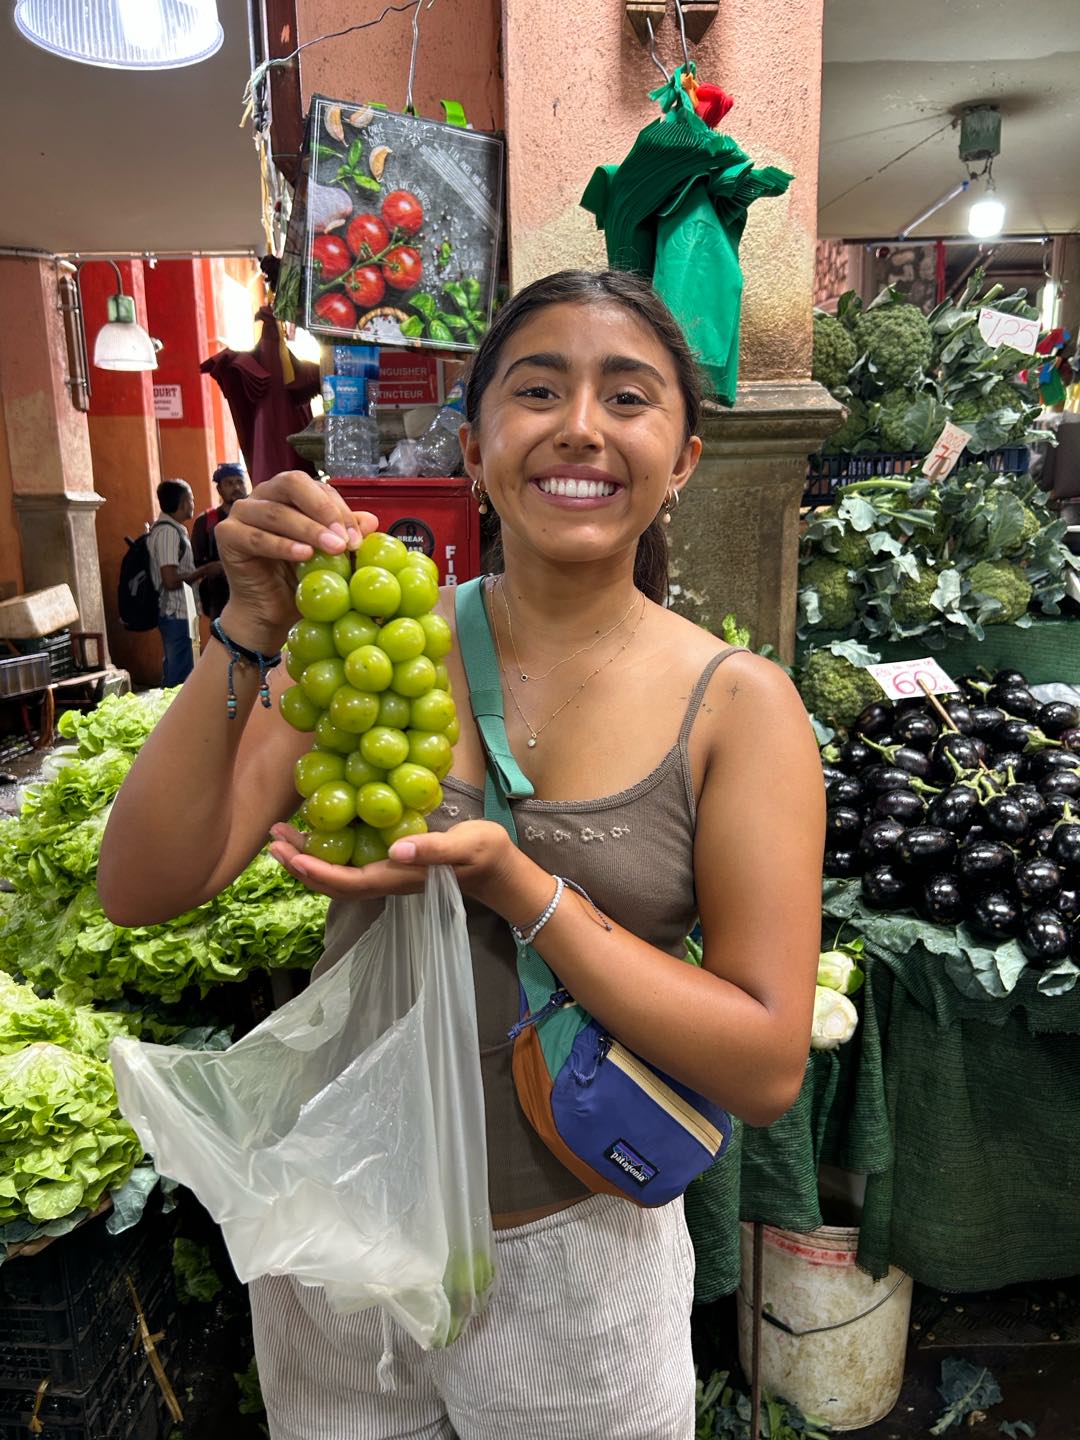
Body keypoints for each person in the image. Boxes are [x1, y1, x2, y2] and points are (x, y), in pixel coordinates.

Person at [99, 269, 825, 1440]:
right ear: (477, 450)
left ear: (683, 458)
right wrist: (247, 626)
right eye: (537, 390)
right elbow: (143, 886)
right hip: (345, 1236)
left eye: (627, 396)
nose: (579, 426)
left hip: (575, 1261)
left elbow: (765, 1063)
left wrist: (516, 885)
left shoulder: (740, 708)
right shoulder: (375, 643)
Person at [146, 478, 221, 686]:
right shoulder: (168, 533)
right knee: (179, 677)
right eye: (191, 499)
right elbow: (170, 580)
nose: (193, 504)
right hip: (176, 613)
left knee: (185, 669)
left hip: (184, 612)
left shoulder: (175, 530)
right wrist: (205, 570)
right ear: (183, 503)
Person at [192, 462, 249, 620]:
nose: (236, 487)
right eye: (229, 483)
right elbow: (196, 562)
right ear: (219, 489)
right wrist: (213, 567)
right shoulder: (205, 522)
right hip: (221, 598)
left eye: (240, 482)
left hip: (255, 593)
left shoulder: (257, 516)